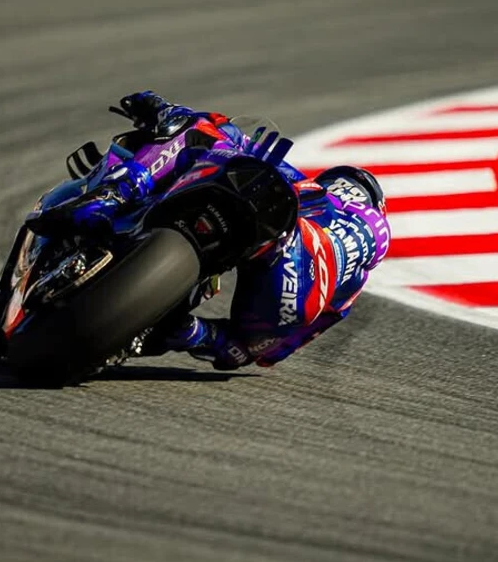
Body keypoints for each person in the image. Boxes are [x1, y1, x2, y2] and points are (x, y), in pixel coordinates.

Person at [31, 91, 391, 370]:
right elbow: (270, 353)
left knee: (197, 131)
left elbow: (216, 130)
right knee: (237, 346)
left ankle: (116, 193)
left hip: (287, 242)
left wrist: (160, 108)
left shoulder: (312, 189)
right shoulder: (355, 277)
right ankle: (180, 331)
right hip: (296, 296)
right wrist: (206, 338)